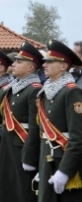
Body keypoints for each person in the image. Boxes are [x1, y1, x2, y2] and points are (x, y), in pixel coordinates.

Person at [24, 40, 82, 202]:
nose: (44, 65)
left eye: (50, 62)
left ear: (64, 66)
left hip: (64, 161)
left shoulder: (71, 92)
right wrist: (40, 166)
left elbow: (77, 137)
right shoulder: (45, 92)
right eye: (45, 61)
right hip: (46, 160)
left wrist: (65, 171)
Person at [0, 41, 43, 202]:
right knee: (7, 184)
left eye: (19, 62)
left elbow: (35, 126)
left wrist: (29, 154)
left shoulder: (34, 89)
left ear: (30, 67)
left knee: (22, 187)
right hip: (9, 142)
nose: (13, 64)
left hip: (22, 145)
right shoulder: (14, 87)